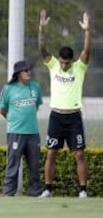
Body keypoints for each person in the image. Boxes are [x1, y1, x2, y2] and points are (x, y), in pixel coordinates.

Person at [38, 10, 91, 198]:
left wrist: (87, 31)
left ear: (71, 61)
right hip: (56, 116)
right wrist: (42, 29)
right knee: (51, 153)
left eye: (66, 63)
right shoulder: (53, 65)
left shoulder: (79, 67)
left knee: (79, 155)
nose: (64, 66)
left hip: (74, 117)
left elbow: (86, 51)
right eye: (62, 62)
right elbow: (42, 49)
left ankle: (83, 190)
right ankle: (48, 189)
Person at [0, 60, 43, 196]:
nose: (29, 72)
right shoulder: (8, 89)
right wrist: (14, 121)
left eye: (29, 69)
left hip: (33, 133)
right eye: (26, 70)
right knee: (13, 165)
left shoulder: (36, 86)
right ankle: (8, 192)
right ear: (18, 73)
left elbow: (36, 107)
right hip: (15, 133)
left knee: (34, 165)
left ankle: (35, 193)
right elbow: (2, 110)